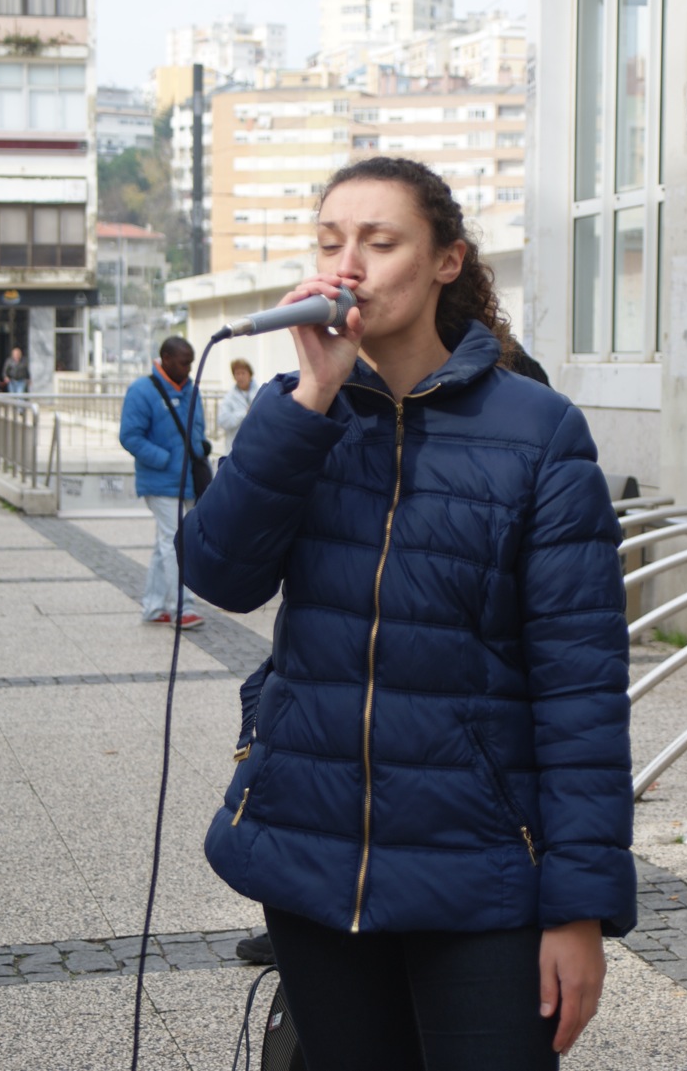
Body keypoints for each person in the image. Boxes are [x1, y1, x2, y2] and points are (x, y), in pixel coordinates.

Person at [181, 157, 636, 1070]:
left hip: (482, 870)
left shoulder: (539, 432)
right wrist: (311, 397)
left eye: (380, 241)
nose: (346, 265)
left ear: (445, 262)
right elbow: (221, 572)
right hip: (312, 855)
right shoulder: (298, 416)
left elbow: (581, 687)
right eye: (329, 242)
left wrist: (580, 907)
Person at [120, 336, 207, 629]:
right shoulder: (141, 390)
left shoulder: (192, 390)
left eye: (191, 362)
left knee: (165, 544)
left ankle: (154, 606)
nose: (189, 368)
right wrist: (164, 459)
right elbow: (130, 436)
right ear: (166, 359)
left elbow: (198, 430)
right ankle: (182, 607)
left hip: (188, 479)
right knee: (175, 542)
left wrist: (200, 450)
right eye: (184, 363)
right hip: (159, 480)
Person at [218, 358, 259, 454]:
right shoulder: (229, 397)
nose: (240, 377)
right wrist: (244, 413)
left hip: (256, 448)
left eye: (243, 373)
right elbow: (223, 421)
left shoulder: (260, 394)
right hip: (235, 448)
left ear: (250, 375)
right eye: (237, 374)